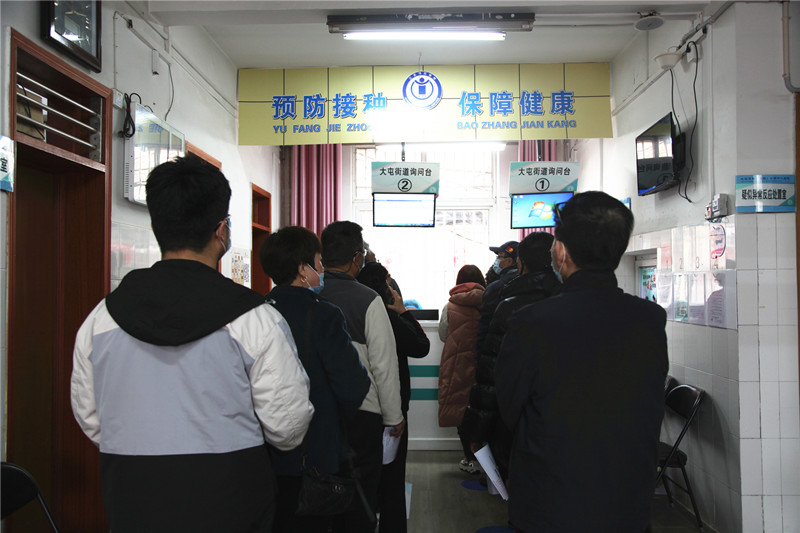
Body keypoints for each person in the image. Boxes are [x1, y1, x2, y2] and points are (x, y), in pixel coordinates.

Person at [70, 156, 314, 533]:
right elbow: (288, 428)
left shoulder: (102, 318)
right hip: (232, 498)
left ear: (157, 226)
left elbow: (91, 418)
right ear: (222, 231)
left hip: (133, 497)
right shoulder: (256, 319)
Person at [495, 191, 669, 533]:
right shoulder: (650, 319)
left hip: (551, 499)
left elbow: (509, 407)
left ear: (560, 252)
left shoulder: (531, 322)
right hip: (627, 500)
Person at [260, 226, 371, 533]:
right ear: (302, 269)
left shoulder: (256, 312)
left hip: (264, 455)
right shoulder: (324, 315)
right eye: (319, 263)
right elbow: (354, 388)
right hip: (316, 453)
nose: (322, 270)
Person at [320, 221, 405, 533]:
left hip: (317, 414)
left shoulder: (310, 294)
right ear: (357, 258)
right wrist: (394, 416)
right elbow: (384, 365)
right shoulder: (368, 299)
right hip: (362, 414)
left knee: (321, 491)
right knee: (361, 493)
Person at [461, 232, 561, 483]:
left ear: (520, 263)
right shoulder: (568, 301)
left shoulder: (508, 304)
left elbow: (490, 371)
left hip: (515, 417)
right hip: (563, 423)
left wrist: (479, 432)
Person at [357, 261, 430, 533]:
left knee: (363, 473)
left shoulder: (355, 310)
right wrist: (404, 312)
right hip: (393, 407)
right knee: (392, 475)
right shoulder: (389, 317)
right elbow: (422, 346)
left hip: (361, 406)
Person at [437, 264, 486, 474]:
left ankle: (470, 457)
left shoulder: (450, 305)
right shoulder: (491, 302)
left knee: (461, 410)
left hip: (457, 363)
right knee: (484, 408)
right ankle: (487, 459)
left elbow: (443, 334)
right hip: (483, 364)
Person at [476, 241, 519, 349]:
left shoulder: (495, 288)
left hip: (496, 348)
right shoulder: (527, 283)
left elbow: (485, 325)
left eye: (499, 257)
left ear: (509, 261)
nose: (496, 261)